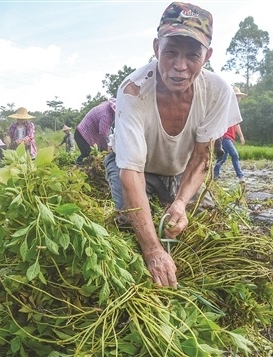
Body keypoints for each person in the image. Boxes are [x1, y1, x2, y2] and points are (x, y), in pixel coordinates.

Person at [105, 2, 242, 288]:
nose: (179, 67)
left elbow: (202, 156)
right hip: (134, 167)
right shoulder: (134, 89)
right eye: (170, 53)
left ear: (207, 56)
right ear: (156, 48)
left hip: (178, 168)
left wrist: (180, 201)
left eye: (192, 55)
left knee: (185, 223)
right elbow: (130, 172)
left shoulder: (217, 92)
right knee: (128, 225)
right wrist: (153, 251)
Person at [213, 87, 247, 181]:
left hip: (230, 138)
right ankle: (241, 177)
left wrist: (241, 136)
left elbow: (236, 124)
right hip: (225, 137)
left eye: (239, 97)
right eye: (236, 97)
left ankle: (214, 176)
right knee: (235, 155)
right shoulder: (227, 107)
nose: (238, 99)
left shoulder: (235, 110)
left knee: (222, 159)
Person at [74, 98, 116, 165]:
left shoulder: (106, 107)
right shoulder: (106, 115)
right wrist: (108, 149)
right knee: (87, 153)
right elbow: (103, 134)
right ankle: (77, 166)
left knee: (93, 155)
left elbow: (108, 131)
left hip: (88, 135)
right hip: (81, 134)